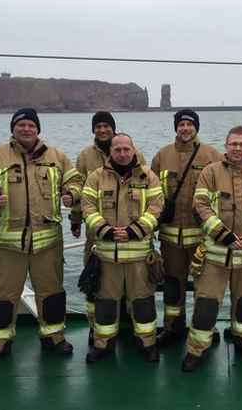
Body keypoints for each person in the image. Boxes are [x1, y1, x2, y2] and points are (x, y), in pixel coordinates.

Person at [0, 108, 82, 365]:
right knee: (2, 297)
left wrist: (71, 195)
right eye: (22, 125)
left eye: (31, 125)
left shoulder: (57, 156)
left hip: (48, 243)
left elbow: (76, 182)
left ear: (38, 129)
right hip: (6, 245)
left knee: (51, 293)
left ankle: (54, 337)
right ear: (13, 128)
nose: (27, 129)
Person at [181, 125, 242, 372]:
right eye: (233, 144)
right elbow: (200, 205)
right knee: (206, 305)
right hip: (215, 256)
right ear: (226, 145)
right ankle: (196, 350)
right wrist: (223, 235)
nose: (237, 148)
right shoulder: (210, 173)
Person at [81, 133, 164, 363]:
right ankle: (103, 345)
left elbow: (157, 208)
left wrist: (133, 231)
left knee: (143, 303)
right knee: (105, 304)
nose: (122, 153)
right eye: (118, 150)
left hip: (139, 258)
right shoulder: (96, 178)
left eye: (127, 149)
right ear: (111, 152)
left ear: (134, 150)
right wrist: (105, 230)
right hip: (107, 257)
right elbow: (87, 207)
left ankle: (147, 344)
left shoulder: (149, 177)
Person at [70, 111, 146, 342]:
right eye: (98, 126)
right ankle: (97, 328)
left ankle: (130, 326)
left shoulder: (135, 153)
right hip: (97, 234)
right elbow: (81, 192)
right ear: (94, 130)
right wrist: (75, 219)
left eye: (106, 126)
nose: (102, 130)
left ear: (113, 129)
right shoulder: (85, 156)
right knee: (97, 283)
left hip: (130, 233)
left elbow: (146, 189)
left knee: (133, 285)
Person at [150, 109, 223, 346]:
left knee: (205, 289)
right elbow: (150, 193)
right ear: (176, 128)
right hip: (171, 238)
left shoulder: (212, 155)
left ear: (196, 128)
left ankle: (205, 331)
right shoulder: (162, 155)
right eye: (181, 124)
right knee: (172, 285)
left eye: (189, 124)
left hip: (203, 238)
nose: (185, 128)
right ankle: (173, 329)